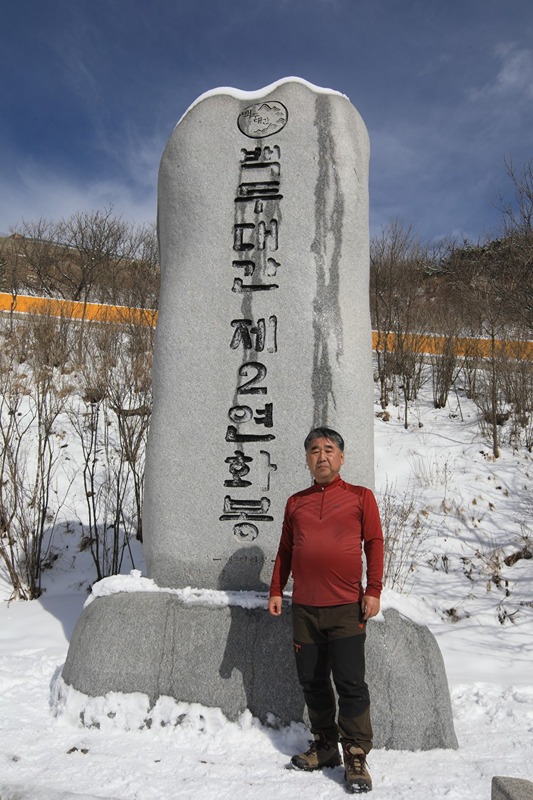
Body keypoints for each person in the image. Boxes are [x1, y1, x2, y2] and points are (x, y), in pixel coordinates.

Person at [268, 426, 384, 793]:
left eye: (329, 449)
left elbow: (374, 544)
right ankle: (325, 745)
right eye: (314, 450)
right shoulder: (295, 502)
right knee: (313, 681)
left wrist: (374, 590)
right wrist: (276, 589)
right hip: (305, 608)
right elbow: (286, 550)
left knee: (350, 683)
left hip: (347, 607)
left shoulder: (360, 497)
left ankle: (355, 753)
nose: (322, 456)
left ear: (341, 457)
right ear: (306, 459)